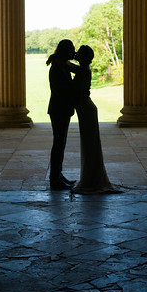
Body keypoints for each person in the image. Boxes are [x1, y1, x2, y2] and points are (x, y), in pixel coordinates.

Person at [71, 45, 121, 194]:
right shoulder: (82, 68)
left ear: (83, 57)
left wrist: (57, 59)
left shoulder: (82, 69)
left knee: (90, 144)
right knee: (89, 144)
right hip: (86, 109)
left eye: (78, 53)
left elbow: (67, 65)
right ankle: (91, 177)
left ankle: (91, 179)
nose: (76, 54)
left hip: (87, 110)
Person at [46, 39, 77, 190]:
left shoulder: (61, 64)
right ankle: (54, 179)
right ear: (66, 51)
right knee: (58, 143)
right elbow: (63, 89)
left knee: (60, 143)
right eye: (72, 49)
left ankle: (58, 174)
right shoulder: (58, 67)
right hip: (59, 109)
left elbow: (79, 69)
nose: (74, 51)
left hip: (60, 109)